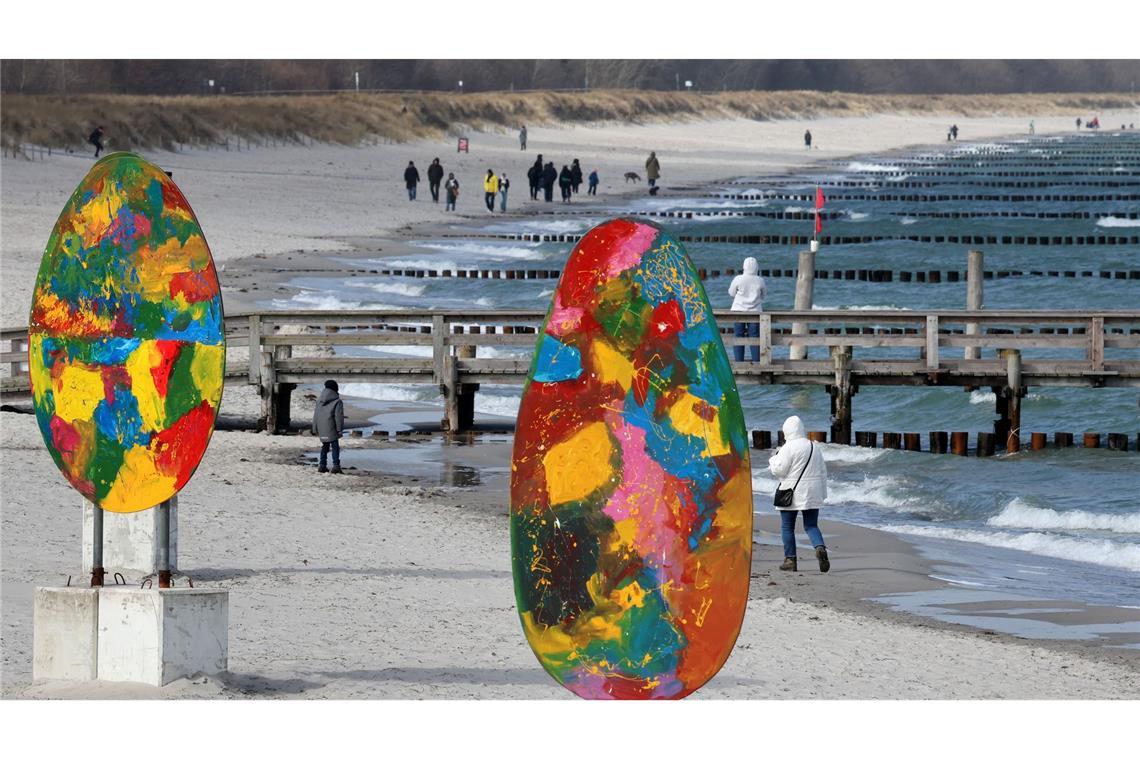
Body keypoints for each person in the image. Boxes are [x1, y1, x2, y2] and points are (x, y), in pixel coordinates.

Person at [768, 415, 829, 572]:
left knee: (787, 527)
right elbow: (823, 472)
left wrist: (773, 460)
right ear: (801, 429)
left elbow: (779, 470)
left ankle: (790, 560)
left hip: (792, 493)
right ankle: (820, 547)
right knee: (811, 525)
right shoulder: (814, 446)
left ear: (787, 431)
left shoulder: (788, 448)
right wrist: (823, 493)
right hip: (813, 492)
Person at [728, 256, 767, 362]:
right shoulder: (760, 280)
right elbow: (764, 296)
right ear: (756, 268)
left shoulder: (738, 279)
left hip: (738, 310)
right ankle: (756, 361)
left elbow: (731, 293)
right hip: (755, 311)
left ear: (744, 267)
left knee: (738, 335)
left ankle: (739, 361)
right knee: (754, 336)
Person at [312, 379, 345, 474]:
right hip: (332, 427)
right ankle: (336, 466)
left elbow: (316, 415)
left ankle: (322, 465)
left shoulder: (319, 400)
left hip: (321, 427)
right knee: (335, 447)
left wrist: (314, 428)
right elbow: (338, 417)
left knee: (325, 446)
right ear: (335, 389)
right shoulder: (337, 401)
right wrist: (339, 430)